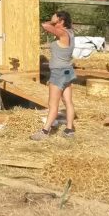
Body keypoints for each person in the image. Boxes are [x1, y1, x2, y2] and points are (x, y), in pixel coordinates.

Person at [31, 10, 76, 140]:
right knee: (68, 101)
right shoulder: (70, 33)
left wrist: (53, 21)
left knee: (53, 104)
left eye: (55, 20)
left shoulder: (62, 32)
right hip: (67, 70)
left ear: (60, 21)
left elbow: (45, 25)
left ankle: (44, 132)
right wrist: (56, 20)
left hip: (59, 72)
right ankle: (69, 130)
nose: (53, 23)